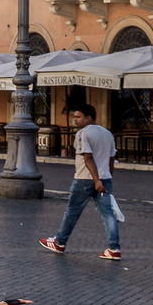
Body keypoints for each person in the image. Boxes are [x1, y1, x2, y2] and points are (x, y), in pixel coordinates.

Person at [40, 102, 121, 259]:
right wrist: (106, 178)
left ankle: (60, 242)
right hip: (105, 179)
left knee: (72, 211)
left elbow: (88, 158)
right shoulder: (107, 134)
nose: (74, 120)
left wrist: (96, 180)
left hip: (85, 179)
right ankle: (114, 249)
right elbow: (111, 159)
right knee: (108, 214)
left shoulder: (83, 134)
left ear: (88, 118)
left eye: (78, 117)